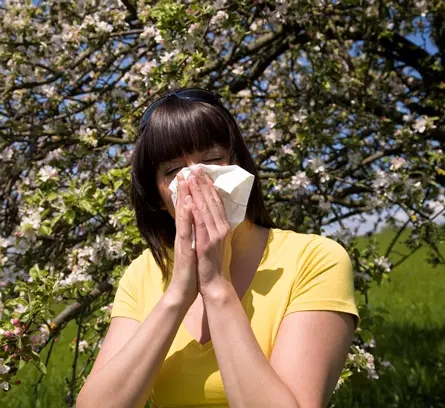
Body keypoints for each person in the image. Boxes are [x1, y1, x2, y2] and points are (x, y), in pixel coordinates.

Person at [77, 88, 360, 408]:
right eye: (173, 171)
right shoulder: (144, 273)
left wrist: (216, 286)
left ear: (240, 167)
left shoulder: (314, 260)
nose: (197, 180)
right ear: (157, 195)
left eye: (212, 160)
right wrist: (177, 297)